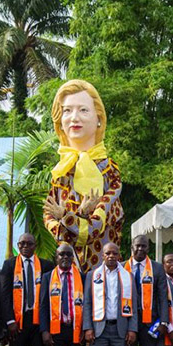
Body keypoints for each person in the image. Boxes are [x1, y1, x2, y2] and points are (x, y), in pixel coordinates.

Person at [43, 79, 123, 272]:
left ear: (99, 118)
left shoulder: (109, 171)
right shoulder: (60, 172)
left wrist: (65, 217)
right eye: (67, 111)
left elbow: (95, 229)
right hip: (68, 272)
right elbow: (52, 224)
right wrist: (80, 216)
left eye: (83, 110)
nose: (74, 118)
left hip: (103, 272)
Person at [0, 233, 54, 346]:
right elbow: (4, 295)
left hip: (38, 322)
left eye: (29, 243)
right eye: (22, 243)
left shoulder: (46, 266)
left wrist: (46, 326)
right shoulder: (9, 265)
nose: (25, 246)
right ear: (18, 245)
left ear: (34, 245)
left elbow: (51, 297)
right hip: (17, 323)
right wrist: (10, 321)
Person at [123, 235, 169, 346]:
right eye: (137, 246)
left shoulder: (157, 268)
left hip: (150, 323)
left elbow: (163, 297)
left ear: (148, 248)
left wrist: (164, 321)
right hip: (128, 322)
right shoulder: (122, 267)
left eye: (144, 246)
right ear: (132, 247)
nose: (140, 249)